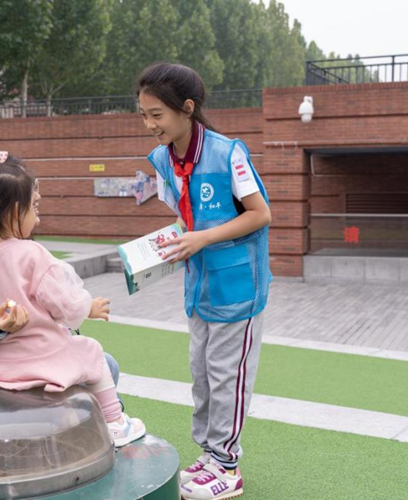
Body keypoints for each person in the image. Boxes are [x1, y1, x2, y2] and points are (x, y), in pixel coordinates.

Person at [0, 151, 145, 448]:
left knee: (101, 366)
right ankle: (114, 422)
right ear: (15, 210)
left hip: (0, 368)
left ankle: (75, 426)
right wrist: (85, 307)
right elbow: (66, 303)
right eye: (33, 203)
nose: (39, 208)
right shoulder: (23, 253)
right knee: (94, 354)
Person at [137, 63, 272, 500]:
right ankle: (210, 454)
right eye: (143, 114)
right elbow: (185, 217)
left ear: (187, 108)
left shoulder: (227, 153)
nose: (149, 124)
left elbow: (260, 214)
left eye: (157, 114)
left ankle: (227, 466)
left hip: (239, 289)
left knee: (226, 377)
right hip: (199, 288)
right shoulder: (162, 159)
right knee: (201, 374)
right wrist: (171, 242)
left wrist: (202, 238)